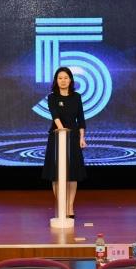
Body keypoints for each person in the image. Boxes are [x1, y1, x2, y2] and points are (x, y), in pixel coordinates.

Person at [41, 67, 87, 218]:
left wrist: (81, 137)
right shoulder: (52, 97)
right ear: (56, 80)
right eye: (60, 78)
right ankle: (61, 204)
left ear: (71, 80)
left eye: (66, 78)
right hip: (57, 136)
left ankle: (69, 207)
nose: (63, 81)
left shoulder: (77, 97)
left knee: (73, 174)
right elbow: (55, 116)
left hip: (73, 137)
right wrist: (62, 131)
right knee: (56, 173)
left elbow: (81, 118)